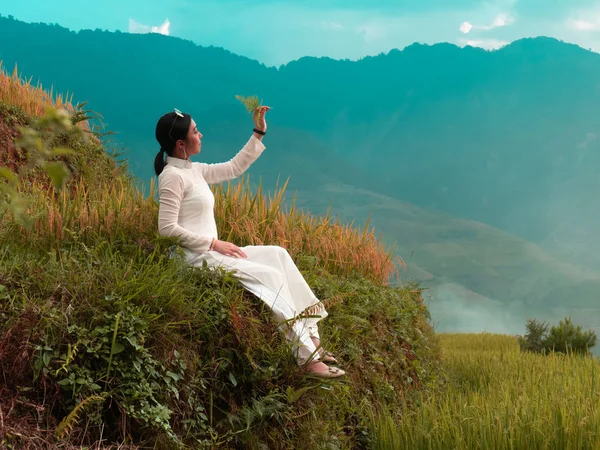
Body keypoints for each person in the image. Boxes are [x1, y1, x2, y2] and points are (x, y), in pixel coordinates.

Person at [153, 106, 345, 378]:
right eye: (196, 132)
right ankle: (307, 360)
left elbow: (233, 168)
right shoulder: (171, 177)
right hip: (195, 258)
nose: (201, 134)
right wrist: (213, 243)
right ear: (181, 143)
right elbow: (167, 229)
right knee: (268, 275)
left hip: (214, 252)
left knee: (278, 255)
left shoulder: (193, 171)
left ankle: (312, 339)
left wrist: (258, 132)